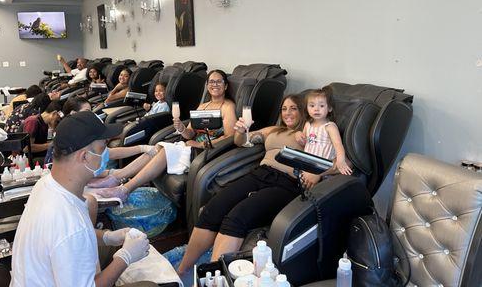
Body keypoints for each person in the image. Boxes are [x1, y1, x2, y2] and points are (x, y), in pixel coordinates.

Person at [10, 111, 154, 287]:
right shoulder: (70, 223)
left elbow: (68, 239)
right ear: (85, 156)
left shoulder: (45, 184)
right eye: (103, 148)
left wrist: (108, 237)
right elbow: (73, 235)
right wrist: (125, 257)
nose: (106, 154)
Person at [177, 94, 307, 274]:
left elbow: (334, 162)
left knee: (237, 218)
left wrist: (309, 141)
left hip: (286, 183)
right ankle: (181, 271)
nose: (287, 113)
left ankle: (215, 280)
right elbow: (242, 141)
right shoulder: (273, 130)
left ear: (303, 111)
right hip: (260, 174)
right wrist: (241, 130)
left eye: (293, 108)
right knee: (213, 209)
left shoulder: (309, 133)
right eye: (284, 109)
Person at [89, 70, 237, 201]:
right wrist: (181, 129)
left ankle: (124, 189)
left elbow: (230, 136)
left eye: (219, 81)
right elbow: (190, 133)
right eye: (211, 81)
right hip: (190, 146)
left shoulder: (228, 107)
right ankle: (116, 177)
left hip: (208, 152)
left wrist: (199, 144)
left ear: (225, 86)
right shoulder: (202, 106)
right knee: (154, 149)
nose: (215, 84)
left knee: (165, 150)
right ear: (207, 85)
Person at [296, 86, 352, 184]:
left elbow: (338, 145)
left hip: (325, 167)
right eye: (312, 106)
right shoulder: (307, 125)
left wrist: (341, 160)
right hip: (308, 164)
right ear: (307, 108)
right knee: (304, 187)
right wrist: (299, 135)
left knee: (319, 190)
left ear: (329, 108)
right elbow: (304, 142)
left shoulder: (330, 126)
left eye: (321, 106)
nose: (316, 109)